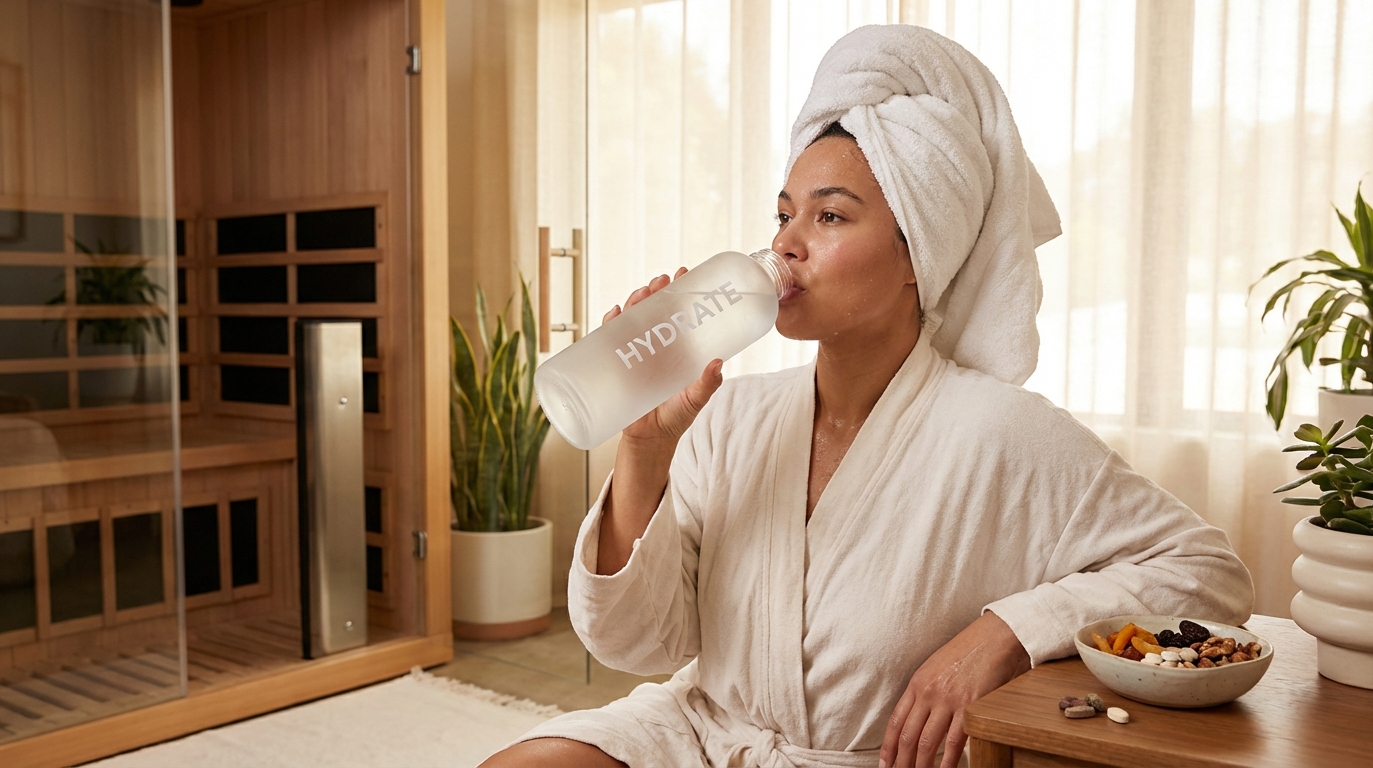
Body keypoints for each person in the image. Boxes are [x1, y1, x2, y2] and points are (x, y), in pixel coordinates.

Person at [483, 24, 1253, 768]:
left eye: (828, 216)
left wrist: (1005, 632)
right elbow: (636, 646)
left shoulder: (1000, 431)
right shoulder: (731, 417)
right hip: (703, 733)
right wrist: (645, 450)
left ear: (919, 252)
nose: (786, 243)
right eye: (784, 215)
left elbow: (1207, 571)